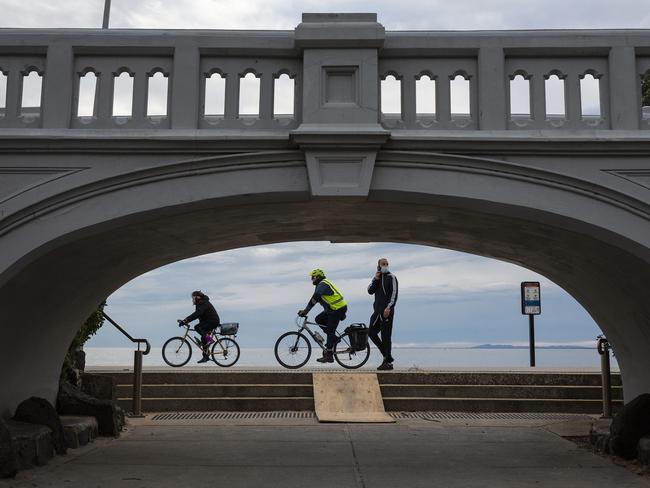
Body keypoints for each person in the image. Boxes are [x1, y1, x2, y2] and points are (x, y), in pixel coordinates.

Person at [298, 269, 348, 363]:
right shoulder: (320, 285)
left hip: (338, 309)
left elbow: (315, 298)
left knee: (330, 330)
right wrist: (305, 310)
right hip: (333, 309)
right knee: (318, 319)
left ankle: (329, 356)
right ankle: (334, 338)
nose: (311, 279)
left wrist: (305, 311)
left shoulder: (323, 284)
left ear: (317, 277)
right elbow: (318, 300)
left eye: (313, 277)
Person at [368, 258, 398, 370]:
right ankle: (387, 356)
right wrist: (376, 278)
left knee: (386, 336)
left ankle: (387, 362)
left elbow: (394, 295)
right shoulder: (377, 278)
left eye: (387, 264)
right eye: (383, 264)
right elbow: (370, 291)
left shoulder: (392, 277)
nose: (385, 266)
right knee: (371, 333)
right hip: (376, 311)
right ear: (379, 266)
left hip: (387, 311)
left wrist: (388, 308)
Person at [178, 291, 221, 363]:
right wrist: (185, 321)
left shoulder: (203, 303)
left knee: (197, 327)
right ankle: (206, 357)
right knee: (203, 338)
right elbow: (200, 316)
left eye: (193, 298)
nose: (192, 300)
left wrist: (186, 320)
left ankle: (210, 340)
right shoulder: (200, 304)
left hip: (213, 321)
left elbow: (196, 314)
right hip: (209, 321)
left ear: (198, 297)